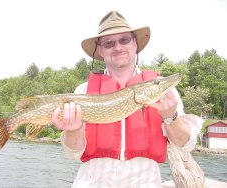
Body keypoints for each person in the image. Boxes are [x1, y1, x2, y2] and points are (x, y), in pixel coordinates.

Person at [52, 11, 203, 188]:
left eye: (124, 40)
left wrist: (171, 116)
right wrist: (73, 130)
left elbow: (186, 145)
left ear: (135, 44)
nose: (117, 47)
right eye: (109, 43)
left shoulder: (162, 90)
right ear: (100, 50)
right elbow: (73, 153)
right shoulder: (83, 91)